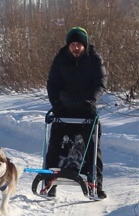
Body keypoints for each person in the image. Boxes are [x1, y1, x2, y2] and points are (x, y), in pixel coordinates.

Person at [45, 27, 107, 199]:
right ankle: (49, 182)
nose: (76, 48)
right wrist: (56, 103)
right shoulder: (60, 59)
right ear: (68, 45)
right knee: (55, 144)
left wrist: (92, 100)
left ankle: (97, 184)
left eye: (79, 44)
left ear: (85, 45)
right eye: (72, 44)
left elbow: (100, 82)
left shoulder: (94, 59)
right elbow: (52, 83)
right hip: (64, 108)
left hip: (86, 108)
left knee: (93, 145)